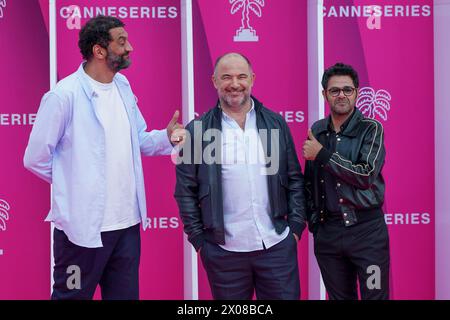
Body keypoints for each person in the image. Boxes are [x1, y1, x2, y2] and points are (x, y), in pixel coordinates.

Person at [23, 15, 185, 300]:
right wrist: (75, 184)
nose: (130, 47)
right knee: (70, 297)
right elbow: (34, 158)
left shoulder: (122, 87)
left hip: (126, 227)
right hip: (80, 232)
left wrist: (166, 137)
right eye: (121, 42)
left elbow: (140, 140)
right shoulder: (64, 96)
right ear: (99, 50)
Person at [174, 52, 306, 300]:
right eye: (226, 77)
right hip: (224, 253)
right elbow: (185, 190)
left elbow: (294, 179)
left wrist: (295, 228)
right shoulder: (198, 131)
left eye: (241, 76)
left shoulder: (274, 124)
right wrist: (201, 242)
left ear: (252, 79)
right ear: (214, 81)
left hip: (275, 246)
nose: (234, 84)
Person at [303, 62, 390, 300]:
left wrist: (323, 154)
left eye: (347, 90)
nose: (341, 95)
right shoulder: (318, 130)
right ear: (324, 94)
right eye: (334, 90)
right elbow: (310, 182)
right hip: (328, 234)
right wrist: (315, 225)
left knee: (376, 297)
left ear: (357, 93)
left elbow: (365, 175)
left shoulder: (371, 129)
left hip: (367, 233)